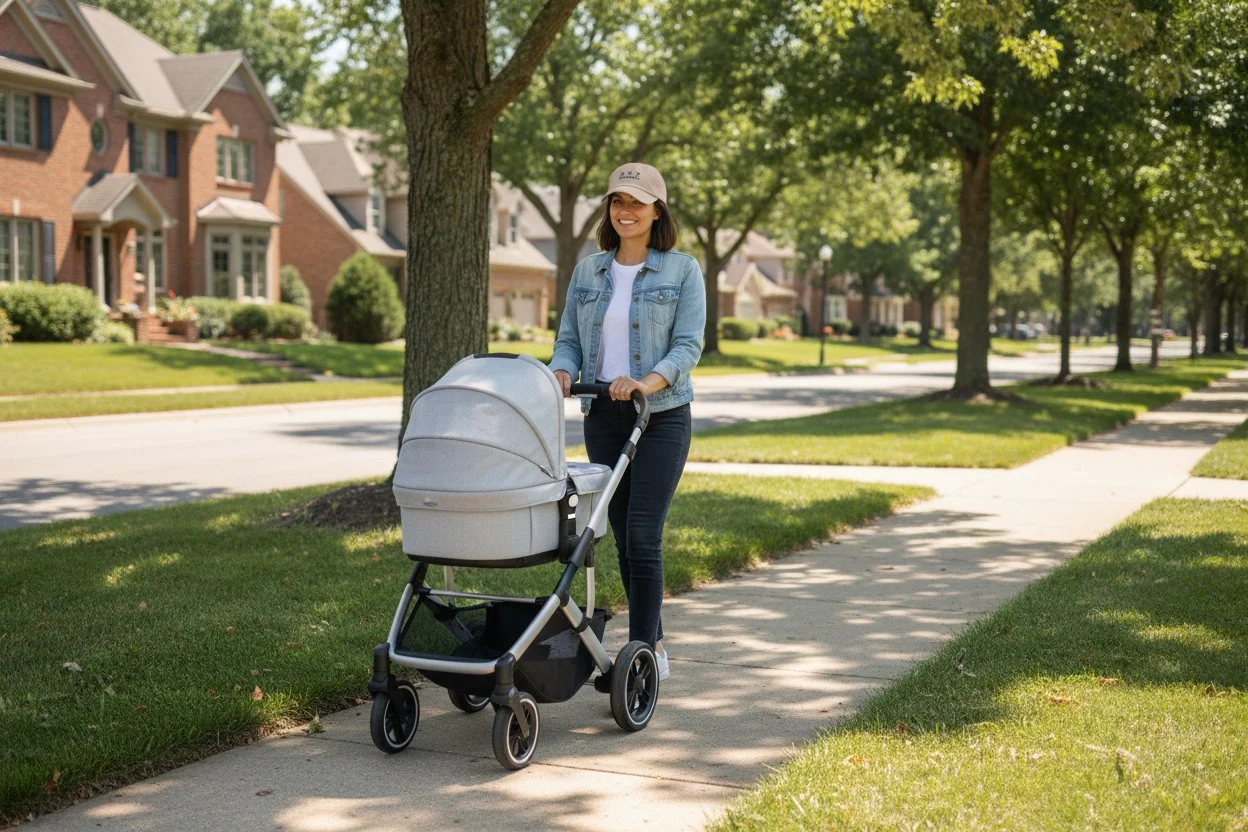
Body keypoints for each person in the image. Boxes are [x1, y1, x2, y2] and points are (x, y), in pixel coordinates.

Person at [549, 163, 705, 682]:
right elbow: (569, 338)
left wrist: (644, 383)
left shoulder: (681, 270)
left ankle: (643, 653)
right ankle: (651, 641)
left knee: (643, 535)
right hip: (603, 416)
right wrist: (563, 369)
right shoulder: (588, 272)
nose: (626, 211)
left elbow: (687, 346)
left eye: (637, 202)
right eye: (618, 201)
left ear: (657, 210)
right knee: (620, 536)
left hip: (660, 416)